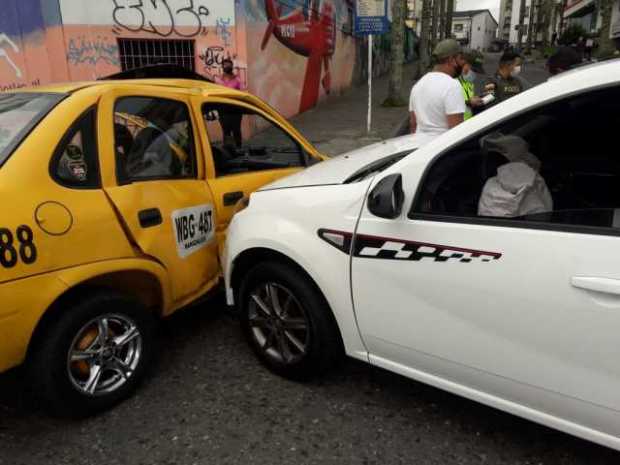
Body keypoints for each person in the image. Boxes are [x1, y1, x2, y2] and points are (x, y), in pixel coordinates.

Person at [409, 39, 466, 142]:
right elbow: (457, 131)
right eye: (460, 58)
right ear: (451, 60)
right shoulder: (452, 86)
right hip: (441, 151)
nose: (463, 63)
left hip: (419, 149)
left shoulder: (418, 85)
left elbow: (413, 124)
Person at [214, 58, 243, 147]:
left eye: (229, 65)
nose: (227, 66)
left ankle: (238, 147)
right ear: (222, 66)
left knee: (236, 130)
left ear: (232, 66)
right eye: (225, 65)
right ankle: (228, 149)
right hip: (223, 110)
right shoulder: (218, 79)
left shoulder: (237, 79)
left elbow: (241, 93)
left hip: (236, 109)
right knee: (226, 131)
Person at [458, 50, 485, 120]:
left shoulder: (468, 83)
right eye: (473, 70)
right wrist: (468, 102)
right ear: (464, 63)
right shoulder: (452, 81)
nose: (474, 74)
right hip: (455, 127)